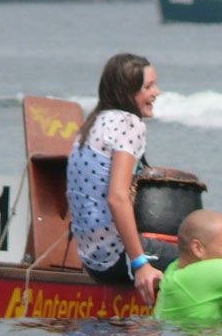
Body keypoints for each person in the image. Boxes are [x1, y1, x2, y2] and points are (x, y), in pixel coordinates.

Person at [66, 53, 172, 304]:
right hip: (117, 258)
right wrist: (140, 264)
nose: (157, 92)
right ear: (127, 92)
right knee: (206, 254)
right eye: (148, 87)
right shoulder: (129, 124)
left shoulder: (93, 123)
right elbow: (117, 197)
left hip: (93, 260)